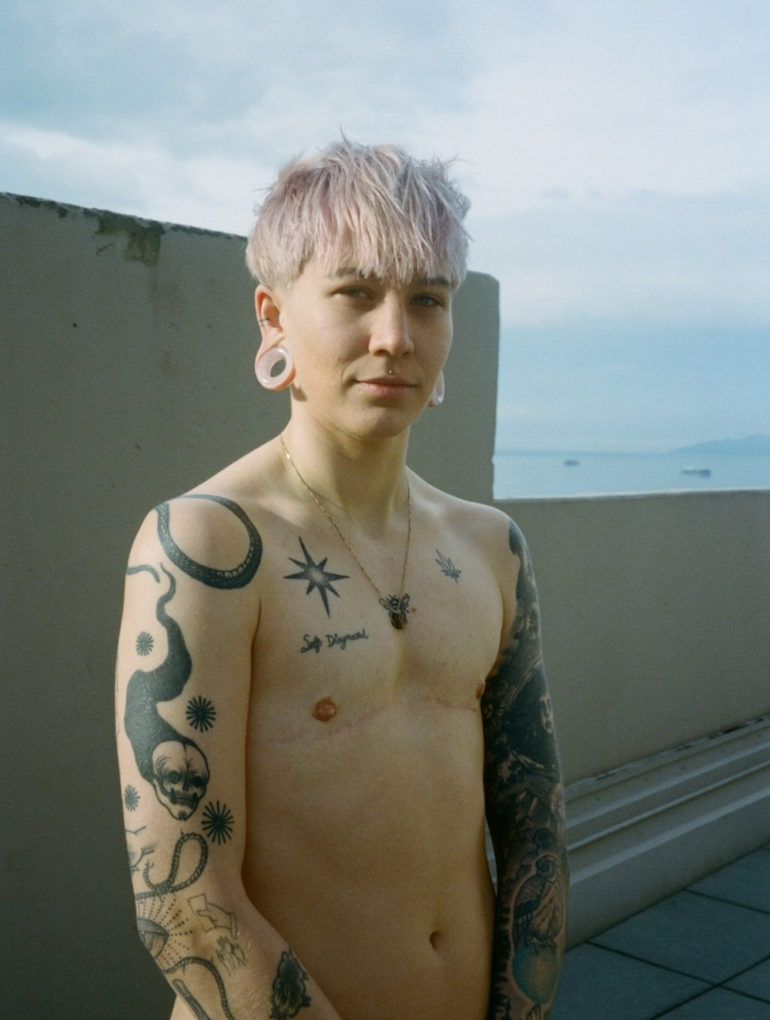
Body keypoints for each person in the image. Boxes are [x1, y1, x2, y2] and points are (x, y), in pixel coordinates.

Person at [115, 139, 567, 1020]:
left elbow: (536, 833)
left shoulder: (492, 548)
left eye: (427, 299)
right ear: (274, 318)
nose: (395, 336)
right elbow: (183, 905)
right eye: (356, 293)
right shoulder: (207, 545)